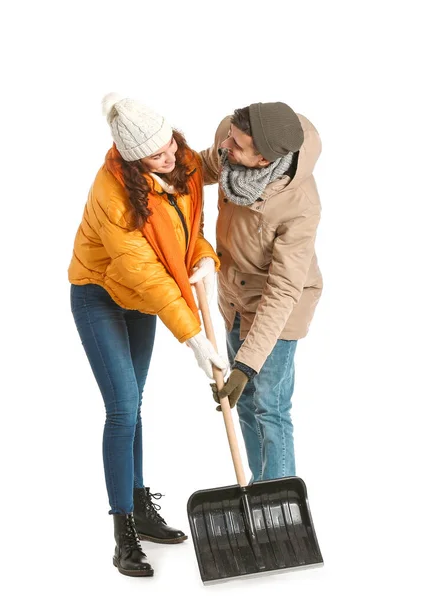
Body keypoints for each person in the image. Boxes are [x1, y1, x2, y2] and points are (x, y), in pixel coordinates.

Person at [68, 93, 227, 577]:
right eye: (157, 155)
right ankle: (123, 532)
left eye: (171, 145)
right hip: (101, 297)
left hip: (142, 301)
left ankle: (140, 506)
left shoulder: (180, 166)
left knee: (134, 403)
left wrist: (204, 254)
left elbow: (183, 229)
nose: (172, 157)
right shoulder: (112, 194)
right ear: (134, 159)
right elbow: (147, 273)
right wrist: (194, 338)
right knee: (121, 408)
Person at [201, 102, 323, 483]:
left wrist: (246, 365)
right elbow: (198, 165)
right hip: (235, 300)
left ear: (264, 159)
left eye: (236, 146)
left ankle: (280, 507)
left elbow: (283, 289)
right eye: (228, 137)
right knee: (247, 402)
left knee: (269, 405)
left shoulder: (300, 206)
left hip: (280, 308)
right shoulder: (232, 139)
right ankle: (258, 491)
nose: (224, 146)